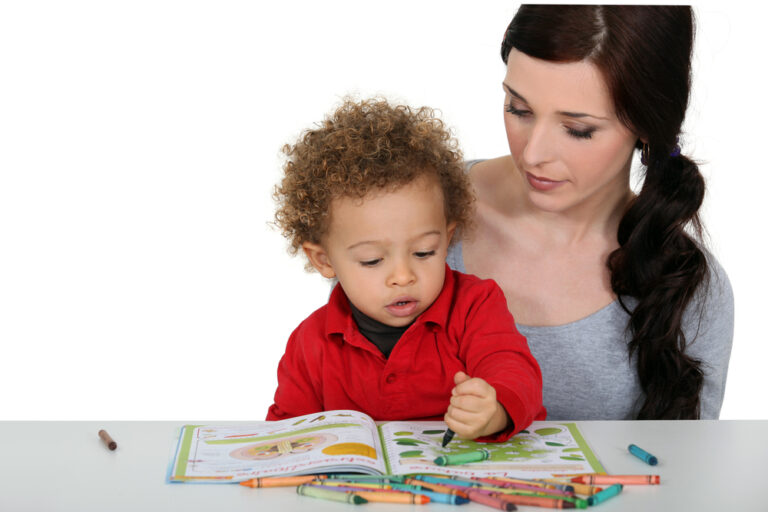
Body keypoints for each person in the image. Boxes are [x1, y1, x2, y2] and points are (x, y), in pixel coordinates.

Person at [447, 5, 734, 420]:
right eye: (519, 109)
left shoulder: (687, 284)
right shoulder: (421, 213)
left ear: (648, 127)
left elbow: (685, 473)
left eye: (578, 129)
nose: (534, 153)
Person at [267, 98, 545, 440]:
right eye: (372, 260)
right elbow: (286, 436)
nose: (403, 276)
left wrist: (496, 408)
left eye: (424, 252)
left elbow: (514, 370)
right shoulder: (310, 345)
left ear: (448, 238)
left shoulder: (475, 305)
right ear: (323, 260)